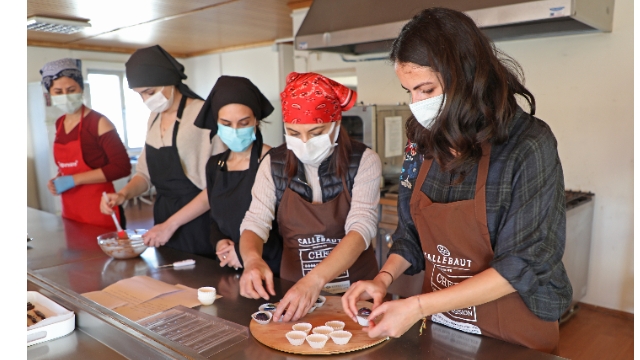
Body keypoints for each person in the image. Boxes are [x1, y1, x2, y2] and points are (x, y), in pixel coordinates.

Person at [341, 8, 572, 354]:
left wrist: (418, 306)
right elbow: (409, 234)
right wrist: (382, 279)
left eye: (426, 89)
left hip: (513, 333)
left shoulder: (528, 144)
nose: (417, 104)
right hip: (446, 323)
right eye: (409, 91)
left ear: (464, 75)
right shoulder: (420, 141)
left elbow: (522, 263)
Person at [239, 72, 382, 323]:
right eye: (293, 133)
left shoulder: (364, 160)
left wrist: (315, 281)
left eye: (316, 133)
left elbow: (362, 227)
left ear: (336, 124)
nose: (304, 142)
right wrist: (251, 259)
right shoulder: (273, 164)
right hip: (295, 293)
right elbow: (255, 221)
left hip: (356, 293)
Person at [141, 75, 283, 274]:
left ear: (256, 121)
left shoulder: (275, 161)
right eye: (226, 123)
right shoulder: (215, 165)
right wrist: (219, 242)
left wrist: (245, 253)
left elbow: (285, 226)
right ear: (216, 123)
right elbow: (216, 218)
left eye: (243, 123)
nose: (234, 131)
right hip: (228, 265)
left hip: (269, 266)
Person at [100, 45, 224, 258]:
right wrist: (123, 194)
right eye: (140, 95)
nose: (146, 100)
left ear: (170, 79)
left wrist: (171, 225)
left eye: (150, 91)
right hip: (164, 217)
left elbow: (218, 186)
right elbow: (145, 175)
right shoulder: (153, 118)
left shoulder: (204, 114)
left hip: (202, 220)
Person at [41, 58, 131, 228]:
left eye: (71, 89)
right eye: (58, 92)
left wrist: (74, 180)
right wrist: (57, 180)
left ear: (81, 89)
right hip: (71, 208)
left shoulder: (99, 122)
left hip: (102, 208)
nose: (65, 96)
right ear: (50, 94)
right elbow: (67, 167)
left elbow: (122, 167)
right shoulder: (59, 123)